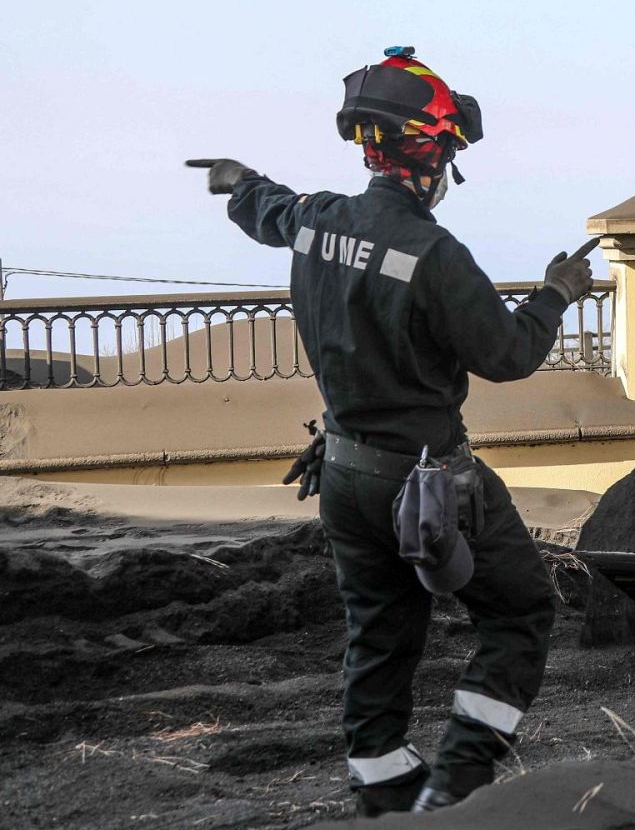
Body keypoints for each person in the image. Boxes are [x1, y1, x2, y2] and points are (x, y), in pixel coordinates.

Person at [187, 46, 597, 816]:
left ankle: (384, 799)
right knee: (519, 613)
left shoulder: (316, 221)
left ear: (370, 149)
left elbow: (269, 208)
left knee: (379, 639)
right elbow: (507, 355)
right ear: (431, 155)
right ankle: (456, 790)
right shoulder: (435, 254)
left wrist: (236, 182)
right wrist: (556, 294)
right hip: (431, 483)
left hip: (344, 476)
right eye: (448, 153)